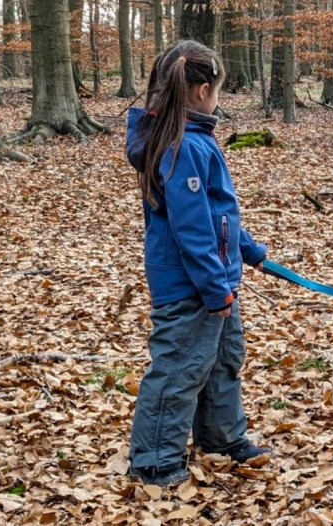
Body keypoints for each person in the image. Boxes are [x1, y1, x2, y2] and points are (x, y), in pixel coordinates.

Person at [124, 40, 272, 487]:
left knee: (224, 359)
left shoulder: (196, 139)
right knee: (179, 368)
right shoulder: (183, 145)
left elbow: (215, 215)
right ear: (202, 90)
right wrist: (213, 287)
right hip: (192, 286)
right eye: (219, 90)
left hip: (216, 278)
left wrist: (247, 249)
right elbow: (191, 228)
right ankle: (153, 461)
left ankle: (221, 438)